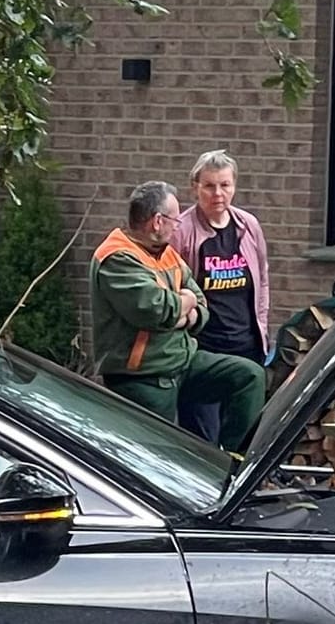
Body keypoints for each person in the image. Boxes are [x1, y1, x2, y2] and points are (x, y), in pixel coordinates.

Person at [89, 180, 264, 452]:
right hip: (144, 376)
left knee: (248, 376)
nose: (178, 224)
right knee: (160, 454)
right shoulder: (117, 259)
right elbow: (158, 311)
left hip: (184, 360)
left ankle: (234, 463)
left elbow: (201, 303)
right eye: (174, 219)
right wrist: (183, 304)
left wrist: (187, 311)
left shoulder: (166, 253)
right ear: (157, 222)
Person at [169, 150, 273, 444]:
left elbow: (262, 280)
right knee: (203, 439)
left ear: (234, 186)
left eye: (224, 185)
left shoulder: (248, 226)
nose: (218, 193)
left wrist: (262, 328)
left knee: (242, 438)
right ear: (195, 187)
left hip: (246, 346)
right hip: (205, 349)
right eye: (209, 186)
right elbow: (173, 286)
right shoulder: (183, 230)